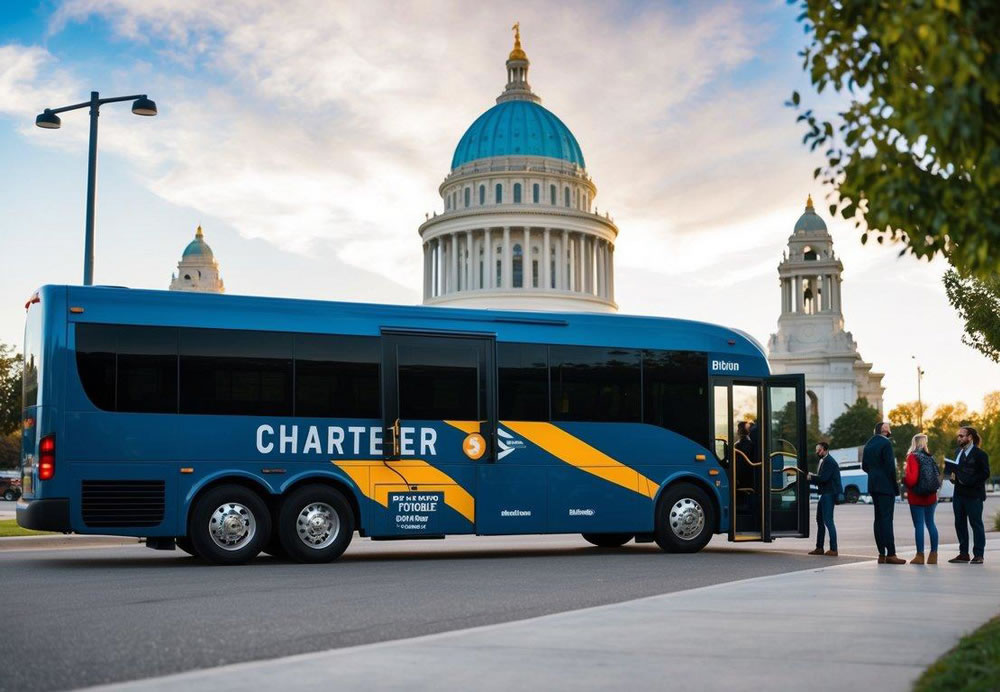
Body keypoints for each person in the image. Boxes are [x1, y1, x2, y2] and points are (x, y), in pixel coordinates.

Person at [862, 421, 904, 564]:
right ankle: (891, 554)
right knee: (887, 519)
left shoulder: (868, 444)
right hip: (886, 487)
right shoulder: (886, 444)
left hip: (873, 485)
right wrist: (894, 486)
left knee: (878, 519)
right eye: (889, 428)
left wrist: (875, 474)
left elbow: (864, 466)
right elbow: (890, 468)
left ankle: (881, 553)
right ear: (885, 430)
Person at [948, 426, 991, 564]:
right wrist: (951, 476)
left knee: (976, 524)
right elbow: (955, 470)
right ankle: (963, 553)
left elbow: (985, 473)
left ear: (970, 437)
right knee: (959, 524)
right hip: (958, 494)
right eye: (958, 436)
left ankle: (979, 554)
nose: (959, 438)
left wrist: (969, 481)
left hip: (974, 494)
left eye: (962, 435)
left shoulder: (980, 454)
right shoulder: (957, 452)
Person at [904, 434, 939, 565]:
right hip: (931, 496)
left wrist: (904, 479)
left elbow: (912, 479)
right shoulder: (930, 457)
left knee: (919, 524)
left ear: (914, 443)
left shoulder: (912, 456)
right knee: (931, 524)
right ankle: (934, 555)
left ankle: (920, 556)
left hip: (917, 497)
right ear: (925, 443)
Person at [807, 442, 841, 556]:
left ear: (825, 450)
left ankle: (834, 549)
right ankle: (819, 547)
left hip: (829, 494)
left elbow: (824, 478)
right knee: (820, 520)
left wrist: (811, 477)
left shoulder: (829, 461)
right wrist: (813, 476)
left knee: (828, 521)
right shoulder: (824, 460)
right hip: (825, 494)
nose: (817, 452)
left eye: (819, 450)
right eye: (817, 450)